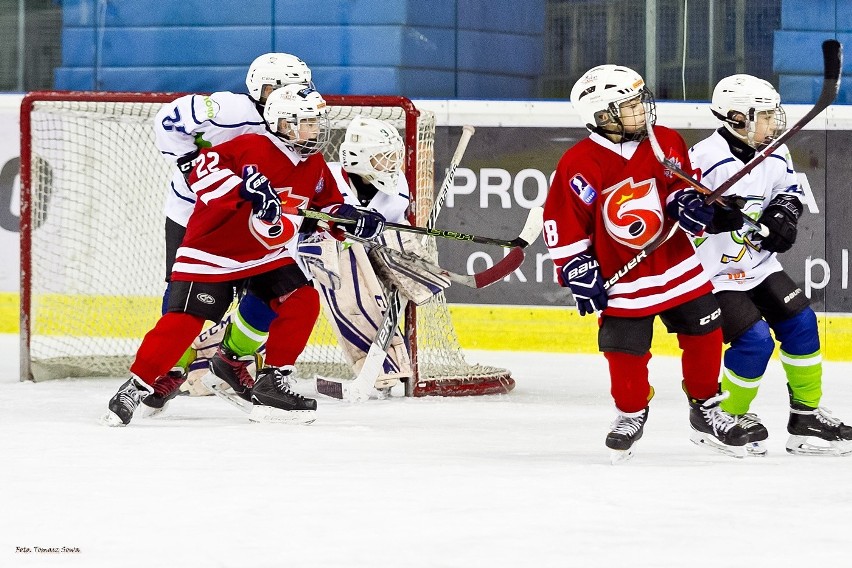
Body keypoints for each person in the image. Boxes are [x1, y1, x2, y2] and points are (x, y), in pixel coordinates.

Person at [101, 85, 387, 427]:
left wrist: (352, 220)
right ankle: (136, 386)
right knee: (184, 321)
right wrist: (242, 190)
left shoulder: (313, 164)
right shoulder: (248, 147)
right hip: (212, 251)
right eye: (307, 122)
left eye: (316, 122)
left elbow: (325, 210)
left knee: (302, 296)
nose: (316, 129)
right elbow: (199, 174)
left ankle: (273, 380)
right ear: (284, 123)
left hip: (265, 255)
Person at [543, 64, 748, 463]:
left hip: (677, 265)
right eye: (630, 105)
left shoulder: (665, 140)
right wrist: (577, 268)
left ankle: (706, 408)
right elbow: (563, 224)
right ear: (603, 117)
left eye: (639, 100)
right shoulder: (578, 163)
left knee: (705, 335)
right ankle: (630, 412)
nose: (642, 109)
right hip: (625, 277)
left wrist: (687, 203)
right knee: (624, 354)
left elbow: (678, 185)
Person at [181, 116, 442, 398]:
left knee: (291, 313)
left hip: (336, 268)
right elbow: (290, 218)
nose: (391, 165)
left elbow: (386, 232)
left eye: (393, 157)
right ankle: (205, 358)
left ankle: (377, 360)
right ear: (359, 158)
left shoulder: (397, 192)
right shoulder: (321, 175)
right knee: (269, 316)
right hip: (288, 259)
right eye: (382, 157)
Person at [689, 74, 852, 456]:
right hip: (711, 275)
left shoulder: (774, 150)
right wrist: (708, 217)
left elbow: (789, 190)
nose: (773, 122)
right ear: (735, 117)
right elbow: (679, 214)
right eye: (763, 115)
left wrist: (783, 216)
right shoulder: (703, 160)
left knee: (802, 323)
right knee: (755, 340)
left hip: (757, 263)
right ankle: (723, 417)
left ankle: (805, 418)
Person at [141, 52, 313, 414]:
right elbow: (168, 119)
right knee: (183, 291)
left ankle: (233, 359)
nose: (288, 96)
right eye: (279, 88)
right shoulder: (228, 109)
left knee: (276, 287)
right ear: (260, 87)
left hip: (252, 220)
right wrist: (187, 160)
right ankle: (170, 369)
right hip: (194, 213)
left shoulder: (291, 122)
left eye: (297, 88)